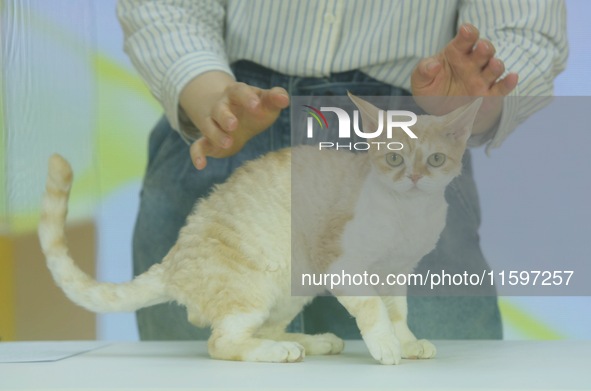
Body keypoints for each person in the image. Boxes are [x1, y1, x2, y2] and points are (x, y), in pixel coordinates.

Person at [117, 0, 568, 340]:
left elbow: (524, 27)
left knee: (437, 373)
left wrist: (472, 104)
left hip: (403, 132)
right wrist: (208, 94)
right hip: (229, 120)